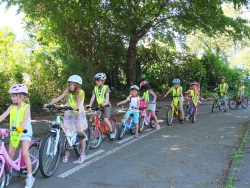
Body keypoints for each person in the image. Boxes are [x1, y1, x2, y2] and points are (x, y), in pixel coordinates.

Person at [44, 75, 88, 164]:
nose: (71, 86)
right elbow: (58, 98)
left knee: (80, 133)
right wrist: (49, 104)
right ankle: (67, 152)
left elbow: (77, 105)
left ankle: (83, 154)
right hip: (69, 113)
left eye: (73, 85)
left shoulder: (81, 92)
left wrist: (67, 107)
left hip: (78, 113)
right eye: (70, 84)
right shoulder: (67, 91)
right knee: (66, 132)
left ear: (78, 85)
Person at [0, 84, 35, 188]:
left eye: (14, 96)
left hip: (24, 132)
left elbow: (24, 121)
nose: (12, 98)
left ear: (21, 96)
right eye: (12, 96)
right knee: (10, 153)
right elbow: (2, 116)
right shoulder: (12, 107)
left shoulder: (26, 107)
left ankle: (30, 177)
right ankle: (7, 175)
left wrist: (21, 128)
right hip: (15, 133)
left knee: (25, 153)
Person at [87, 73, 115, 139]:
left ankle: (112, 131)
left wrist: (105, 103)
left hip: (106, 105)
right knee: (96, 118)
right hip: (99, 106)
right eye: (96, 81)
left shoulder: (106, 87)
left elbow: (107, 98)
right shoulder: (95, 88)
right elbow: (93, 97)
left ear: (103, 81)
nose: (97, 82)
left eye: (99, 81)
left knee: (105, 119)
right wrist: (90, 104)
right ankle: (99, 132)